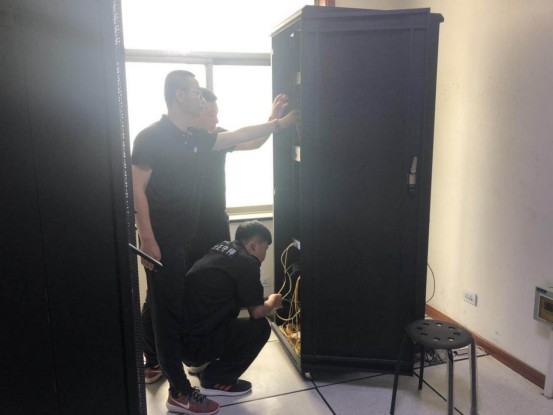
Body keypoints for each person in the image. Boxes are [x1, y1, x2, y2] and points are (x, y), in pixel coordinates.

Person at [132, 69, 297, 414]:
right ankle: (177, 389)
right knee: (164, 314)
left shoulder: (193, 138)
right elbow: (136, 188)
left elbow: (241, 135)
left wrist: (277, 123)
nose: (203, 100)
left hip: (185, 238)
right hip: (162, 243)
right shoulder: (151, 137)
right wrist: (147, 239)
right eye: (196, 93)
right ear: (180, 95)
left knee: (176, 307)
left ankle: (187, 365)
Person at [181, 220, 283, 396]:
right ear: (254, 244)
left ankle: (199, 363)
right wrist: (273, 301)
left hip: (182, 340)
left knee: (226, 312)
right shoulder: (247, 263)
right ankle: (216, 379)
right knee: (261, 328)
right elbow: (257, 312)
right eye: (265, 249)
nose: (264, 256)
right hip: (195, 345)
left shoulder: (221, 249)